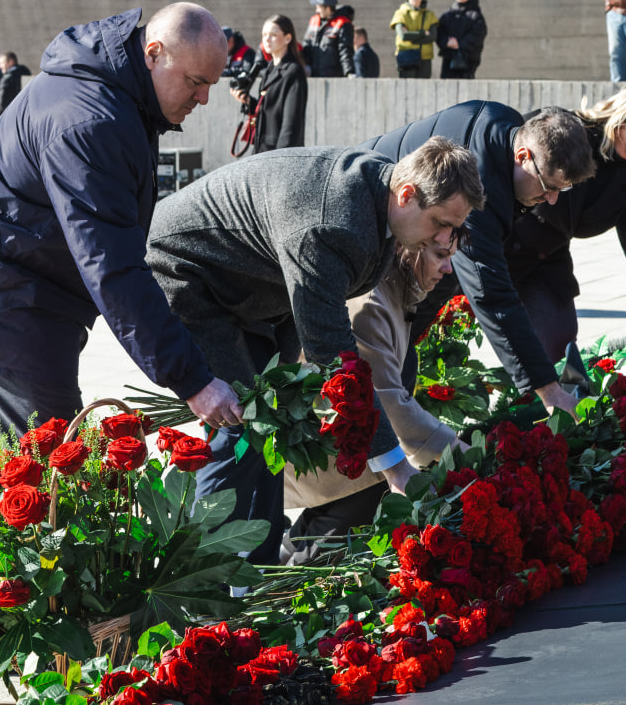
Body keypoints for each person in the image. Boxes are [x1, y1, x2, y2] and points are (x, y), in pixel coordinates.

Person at [0, 4, 242, 464]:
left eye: (211, 85)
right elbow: (112, 266)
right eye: (195, 82)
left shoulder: (118, 95)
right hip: (3, 304)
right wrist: (193, 381)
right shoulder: (92, 120)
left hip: (21, 299)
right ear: (153, 53)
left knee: (32, 473)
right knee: (41, 475)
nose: (203, 99)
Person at [145, 137, 485, 565]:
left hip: (245, 289)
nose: (444, 238)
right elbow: (332, 351)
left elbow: (303, 308)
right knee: (237, 424)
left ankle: (259, 568)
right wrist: (395, 467)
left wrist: (280, 372)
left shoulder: (379, 206)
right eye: (439, 223)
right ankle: (198, 574)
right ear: (406, 194)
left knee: (268, 420)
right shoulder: (334, 223)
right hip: (188, 274)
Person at [361, 103, 595, 418]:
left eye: (562, 191)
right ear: (523, 156)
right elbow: (490, 292)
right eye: (549, 187)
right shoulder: (479, 184)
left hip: (397, 231)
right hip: (370, 225)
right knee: (378, 365)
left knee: (398, 356)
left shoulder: (506, 126)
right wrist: (548, 390)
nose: (551, 200)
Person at [284, 238, 470, 563]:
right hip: (328, 452)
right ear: (410, 247)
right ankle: (286, 562)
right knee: (364, 500)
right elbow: (391, 409)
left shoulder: (396, 289)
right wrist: (466, 455)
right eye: (441, 255)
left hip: (344, 448)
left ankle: (290, 555)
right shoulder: (372, 304)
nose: (448, 268)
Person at [508, 89, 626, 361]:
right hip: (501, 242)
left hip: (546, 263)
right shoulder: (565, 129)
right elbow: (506, 150)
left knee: (559, 346)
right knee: (448, 325)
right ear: (623, 124)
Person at [230, 14, 307, 154]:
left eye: (273, 35)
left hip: (279, 152)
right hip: (262, 148)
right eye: (264, 34)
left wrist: (281, 157)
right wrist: (248, 102)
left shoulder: (293, 71)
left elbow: (291, 123)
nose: (267, 39)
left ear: (287, 38)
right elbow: (268, 110)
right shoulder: (269, 69)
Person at [436, 0, 488, 79]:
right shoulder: (446, 16)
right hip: (449, 59)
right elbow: (439, 34)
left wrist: (459, 45)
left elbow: (478, 34)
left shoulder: (476, 15)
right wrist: (447, 42)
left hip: (469, 59)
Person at [390, 0, 438, 79]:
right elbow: (403, 35)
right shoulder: (400, 13)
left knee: (425, 86)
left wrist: (411, 37)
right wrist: (423, 33)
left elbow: (432, 37)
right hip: (407, 55)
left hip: (425, 57)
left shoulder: (430, 15)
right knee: (406, 86)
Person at [302, 0, 356, 78]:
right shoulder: (314, 21)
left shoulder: (342, 23)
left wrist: (349, 72)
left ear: (328, 8)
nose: (316, 11)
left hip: (333, 76)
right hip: (314, 75)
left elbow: (345, 50)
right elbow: (306, 44)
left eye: (319, 7)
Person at [0, 51, 32, 121]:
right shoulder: (26, 74)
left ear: (11, 62)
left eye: (2, 63)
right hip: (26, 118)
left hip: (10, 119)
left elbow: (1, 104)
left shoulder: (7, 79)